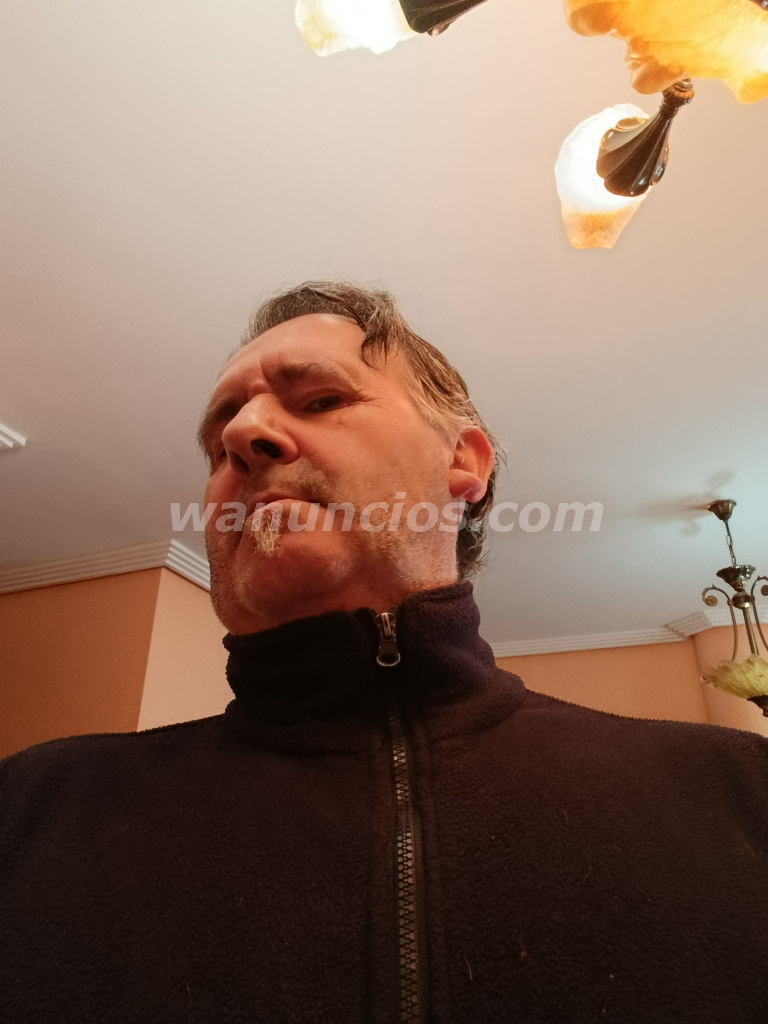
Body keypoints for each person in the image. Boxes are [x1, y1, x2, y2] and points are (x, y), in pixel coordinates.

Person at [1, 281, 767, 1024]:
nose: (240, 436)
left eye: (320, 400)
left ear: (463, 461)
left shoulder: (741, 795)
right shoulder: (30, 812)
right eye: (218, 437)